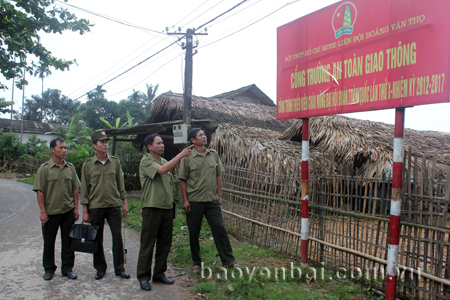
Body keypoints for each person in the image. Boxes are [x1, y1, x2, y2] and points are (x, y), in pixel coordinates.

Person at [136, 134, 193, 291]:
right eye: (158, 143)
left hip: (167, 208)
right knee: (148, 243)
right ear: (149, 147)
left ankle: (159, 274)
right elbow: (161, 171)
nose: (162, 145)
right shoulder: (146, 161)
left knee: (164, 243)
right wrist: (181, 155)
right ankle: (143, 276)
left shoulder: (166, 162)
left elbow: (167, 175)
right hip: (152, 207)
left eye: (162, 143)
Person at [178, 128, 237, 274]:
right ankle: (196, 263)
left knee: (219, 228)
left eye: (204, 134)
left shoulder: (213, 154)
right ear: (193, 140)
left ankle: (229, 260)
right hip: (194, 200)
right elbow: (183, 180)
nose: (204, 137)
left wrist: (219, 194)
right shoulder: (187, 157)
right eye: (200, 135)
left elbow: (218, 175)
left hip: (212, 200)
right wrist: (185, 200)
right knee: (194, 232)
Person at [80, 130, 130, 280]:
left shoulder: (115, 162)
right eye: (102, 142)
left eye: (106, 142)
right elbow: (84, 189)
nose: (105, 144)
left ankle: (120, 268)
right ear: (94, 145)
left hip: (114, 205)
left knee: (117, 237)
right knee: (97, 238)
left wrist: (125, 203)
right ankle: (100, 268)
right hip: (95, 207)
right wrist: (85, 210)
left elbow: (120, 184)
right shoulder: (87, 165)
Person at [33, 138, 80, 281]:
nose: (64, 150)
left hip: (67, 212)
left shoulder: (70, 168)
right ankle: (49, 269)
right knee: (49, 242)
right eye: (61, 148)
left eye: (65, 148)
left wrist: (76, 209)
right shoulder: (45, 169)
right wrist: (42, 212)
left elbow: (75, 189)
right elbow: (40, 191)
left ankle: (67, 269)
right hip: (51, 213)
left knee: (68, 242)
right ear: (52, 149)